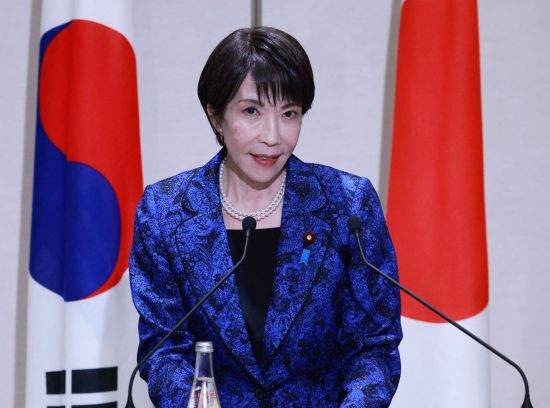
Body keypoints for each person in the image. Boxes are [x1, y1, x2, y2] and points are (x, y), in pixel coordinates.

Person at [129, 26, 402, 407]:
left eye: (289, 113)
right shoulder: (166, 213)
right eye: (252, 111)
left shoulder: (348, 205)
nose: (273, 136)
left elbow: (373, 346)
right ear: (215, 115)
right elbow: (163, 349)